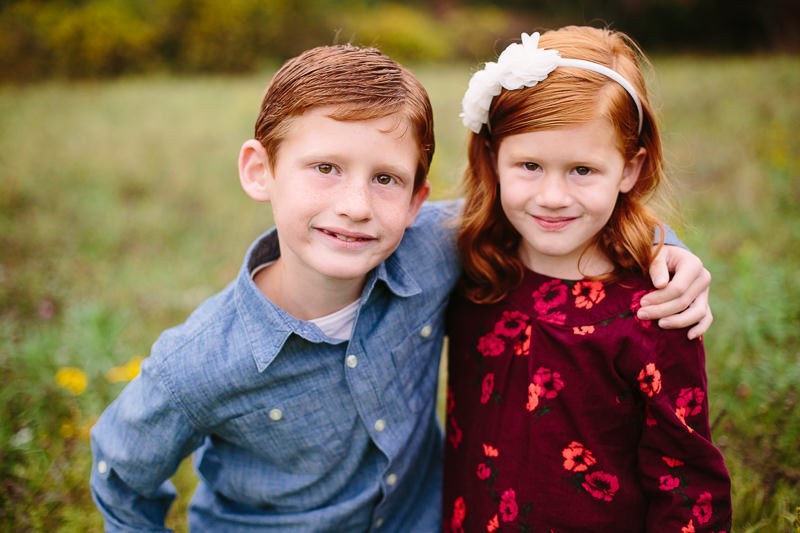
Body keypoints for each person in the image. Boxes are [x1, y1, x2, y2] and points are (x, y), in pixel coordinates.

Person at [90, 43, 714, 532]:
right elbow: (121, 479)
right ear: (261, 171)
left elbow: (554, 213)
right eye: (326, 168)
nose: (356, 206)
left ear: (419, 198)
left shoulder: (438, 250)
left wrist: (666, 247)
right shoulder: (197, 361)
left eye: (386, 179)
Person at [443, 27, 731, 533]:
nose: (553, 196)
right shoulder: (477, 265)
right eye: (529, 165)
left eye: (582, 170)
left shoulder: (654, 308)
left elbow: (686, 483)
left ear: (629, 169)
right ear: (493, 157)